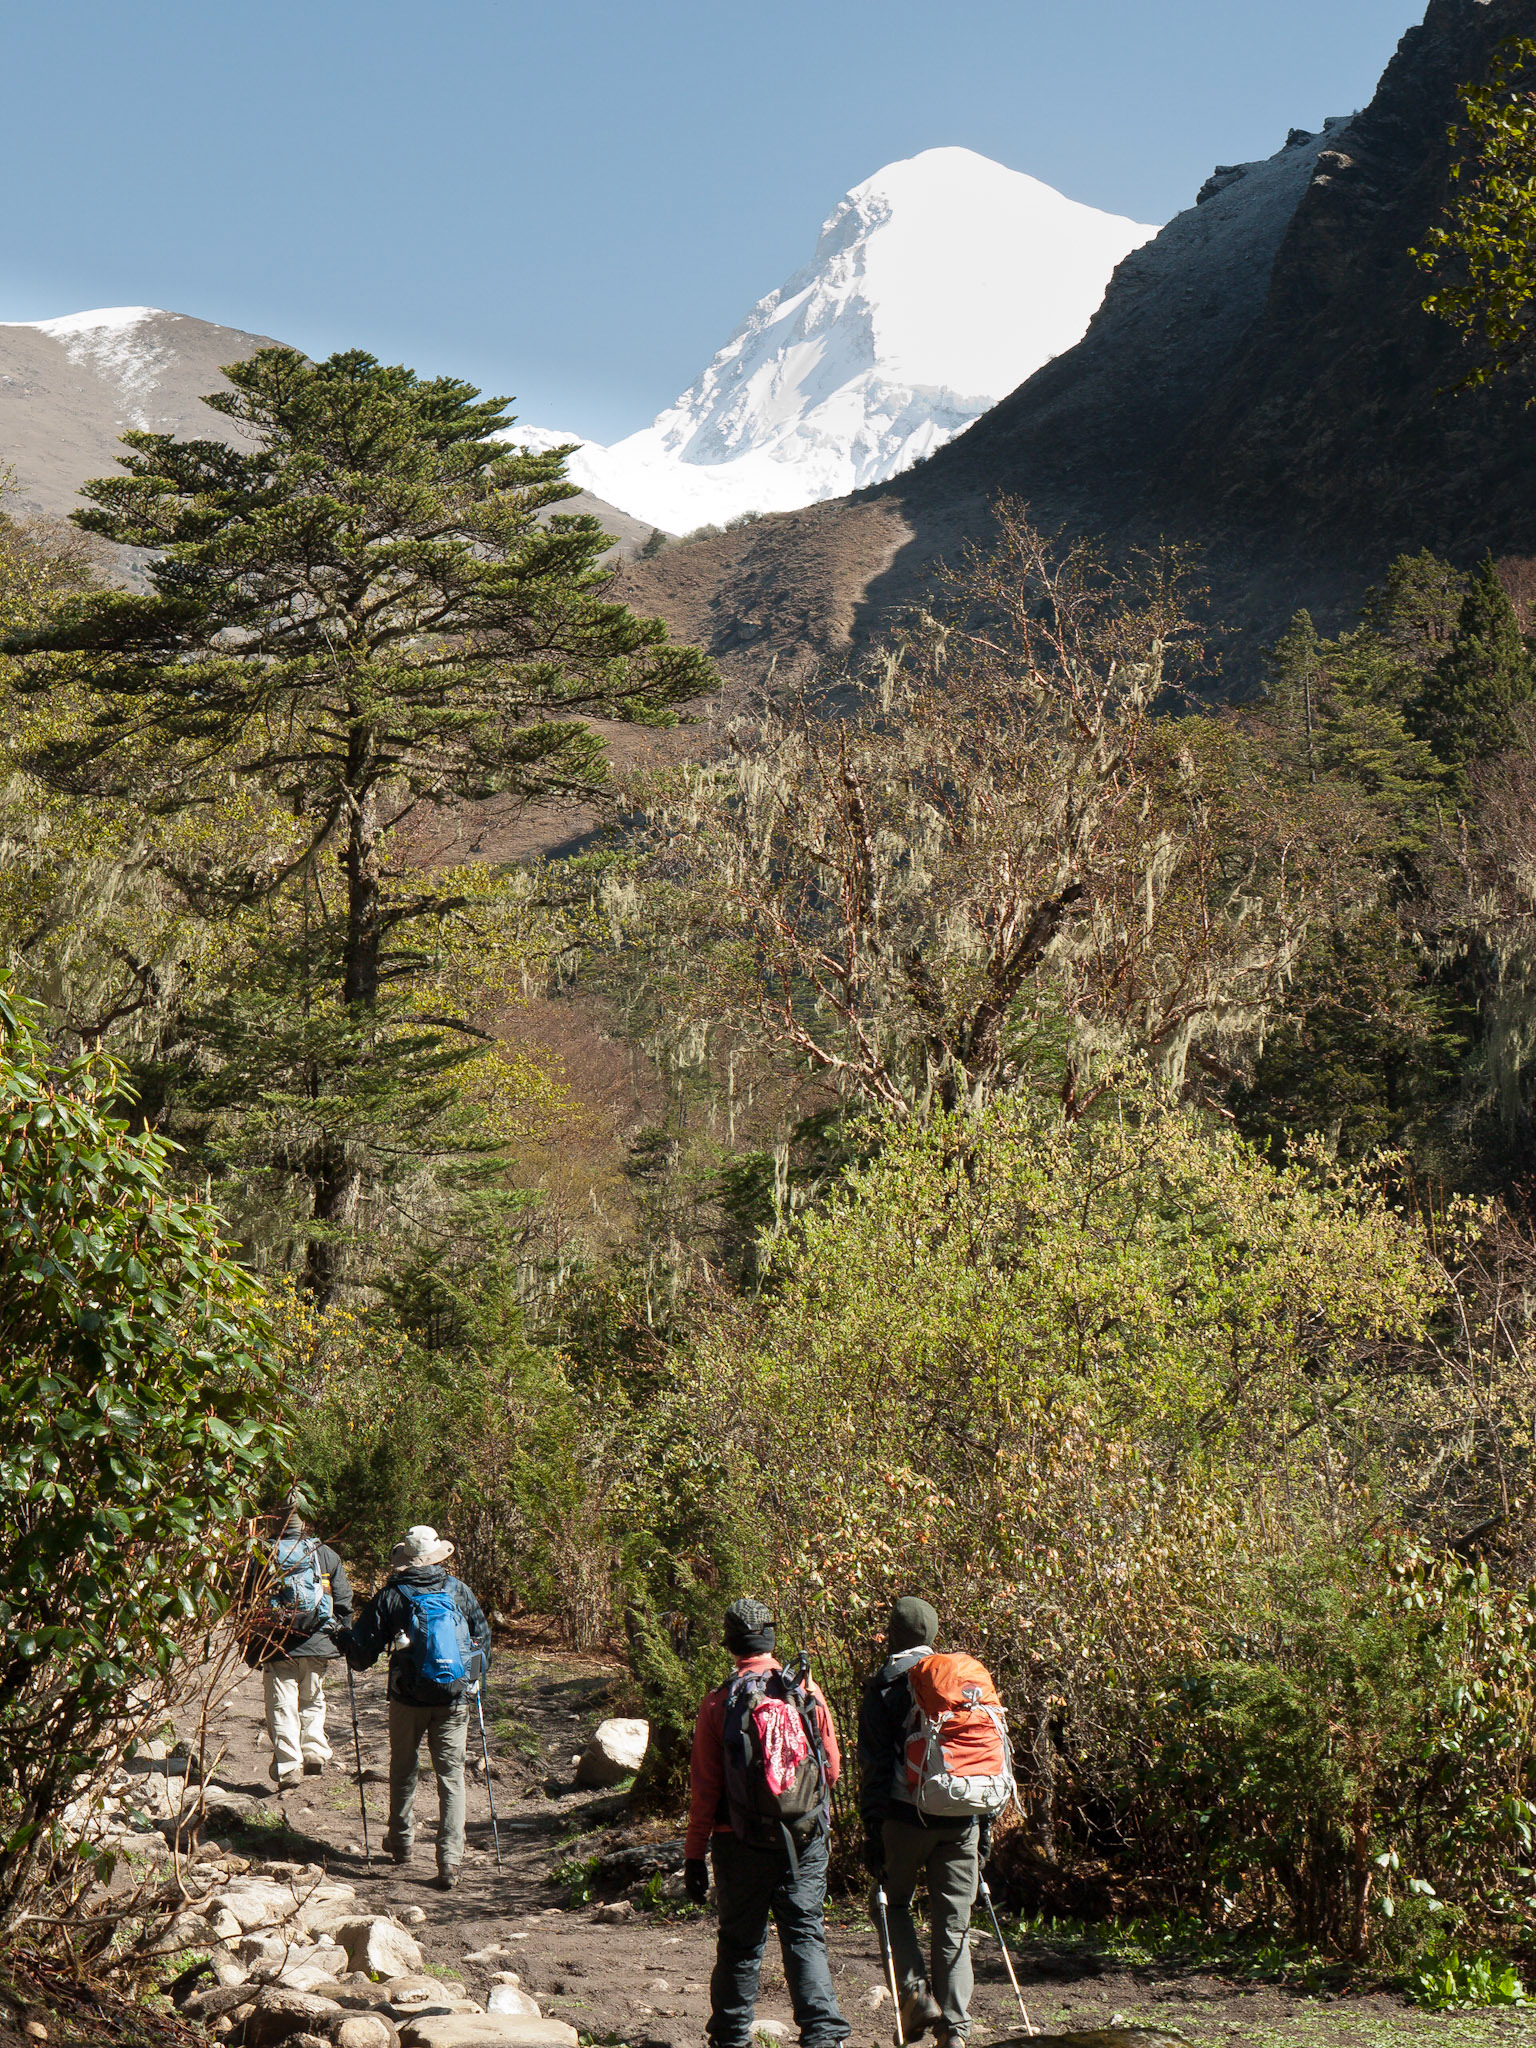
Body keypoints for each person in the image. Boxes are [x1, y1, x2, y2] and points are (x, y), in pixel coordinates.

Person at [684, 1597, 850, 2048]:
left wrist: (695, 1855)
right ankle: (823, 2037)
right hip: (805, 1837)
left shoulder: (719, 1703)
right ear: (771, 1639)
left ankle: (732, 2040)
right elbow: (831, 1769)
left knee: (740, 1944)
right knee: (804, 1933)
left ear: (731, 1644)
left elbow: (706, 1789)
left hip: (738, 1841)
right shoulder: (805, 1692)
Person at [857, 1598, 986, 2048]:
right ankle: (955, 2031)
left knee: (890, 1905)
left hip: (904, 1817)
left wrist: (871, 1831)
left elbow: (874, 1767)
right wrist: (981, 1828)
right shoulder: (957, 1680)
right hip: (963, 1816)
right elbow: (976, 1759)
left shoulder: (886, 1685)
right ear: (932, 1633)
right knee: (954, 1923)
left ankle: (914, 2001)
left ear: (892, 1635)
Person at [339, 1523, 491, 1891]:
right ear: (437, 1556)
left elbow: (361, 1657)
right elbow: (482, 1641)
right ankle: (450, 1860)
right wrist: (469, 1682)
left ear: (405, 1558)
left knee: (404, 1768)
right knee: (451, 1779)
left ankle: (402, 1842)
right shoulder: (459, 1591)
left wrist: (343, 1638)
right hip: (454, 1699)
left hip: (407, 1699)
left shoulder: (391, 1596)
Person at [242, 1506, 353, 1792]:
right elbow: (342, 1600)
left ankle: (289, 1766)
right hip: (318, 1642)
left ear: (275, 1526)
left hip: (278, 1645)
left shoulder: (263, 1554)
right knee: (313, 1699)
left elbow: (247, 1600)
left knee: (282, 1706)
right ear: (304, 1525)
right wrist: (341, 1637)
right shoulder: (325, 1554)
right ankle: (314, 1751)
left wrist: (250, 1645)